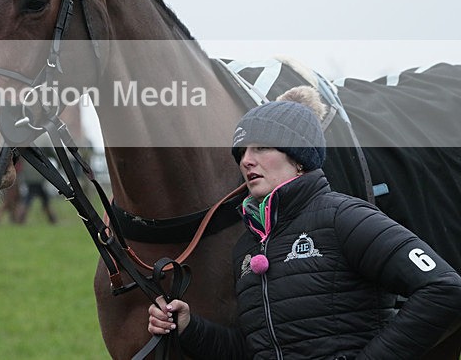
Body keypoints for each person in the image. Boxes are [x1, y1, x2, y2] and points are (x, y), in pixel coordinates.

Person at [146, 87, 461, 359]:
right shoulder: (247, 247)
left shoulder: (345, 217)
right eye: (241, 151)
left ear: (298, 157)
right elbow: (257, 350)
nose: (246, 160)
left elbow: (445, 289)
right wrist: (189, 327)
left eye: (261, 147)